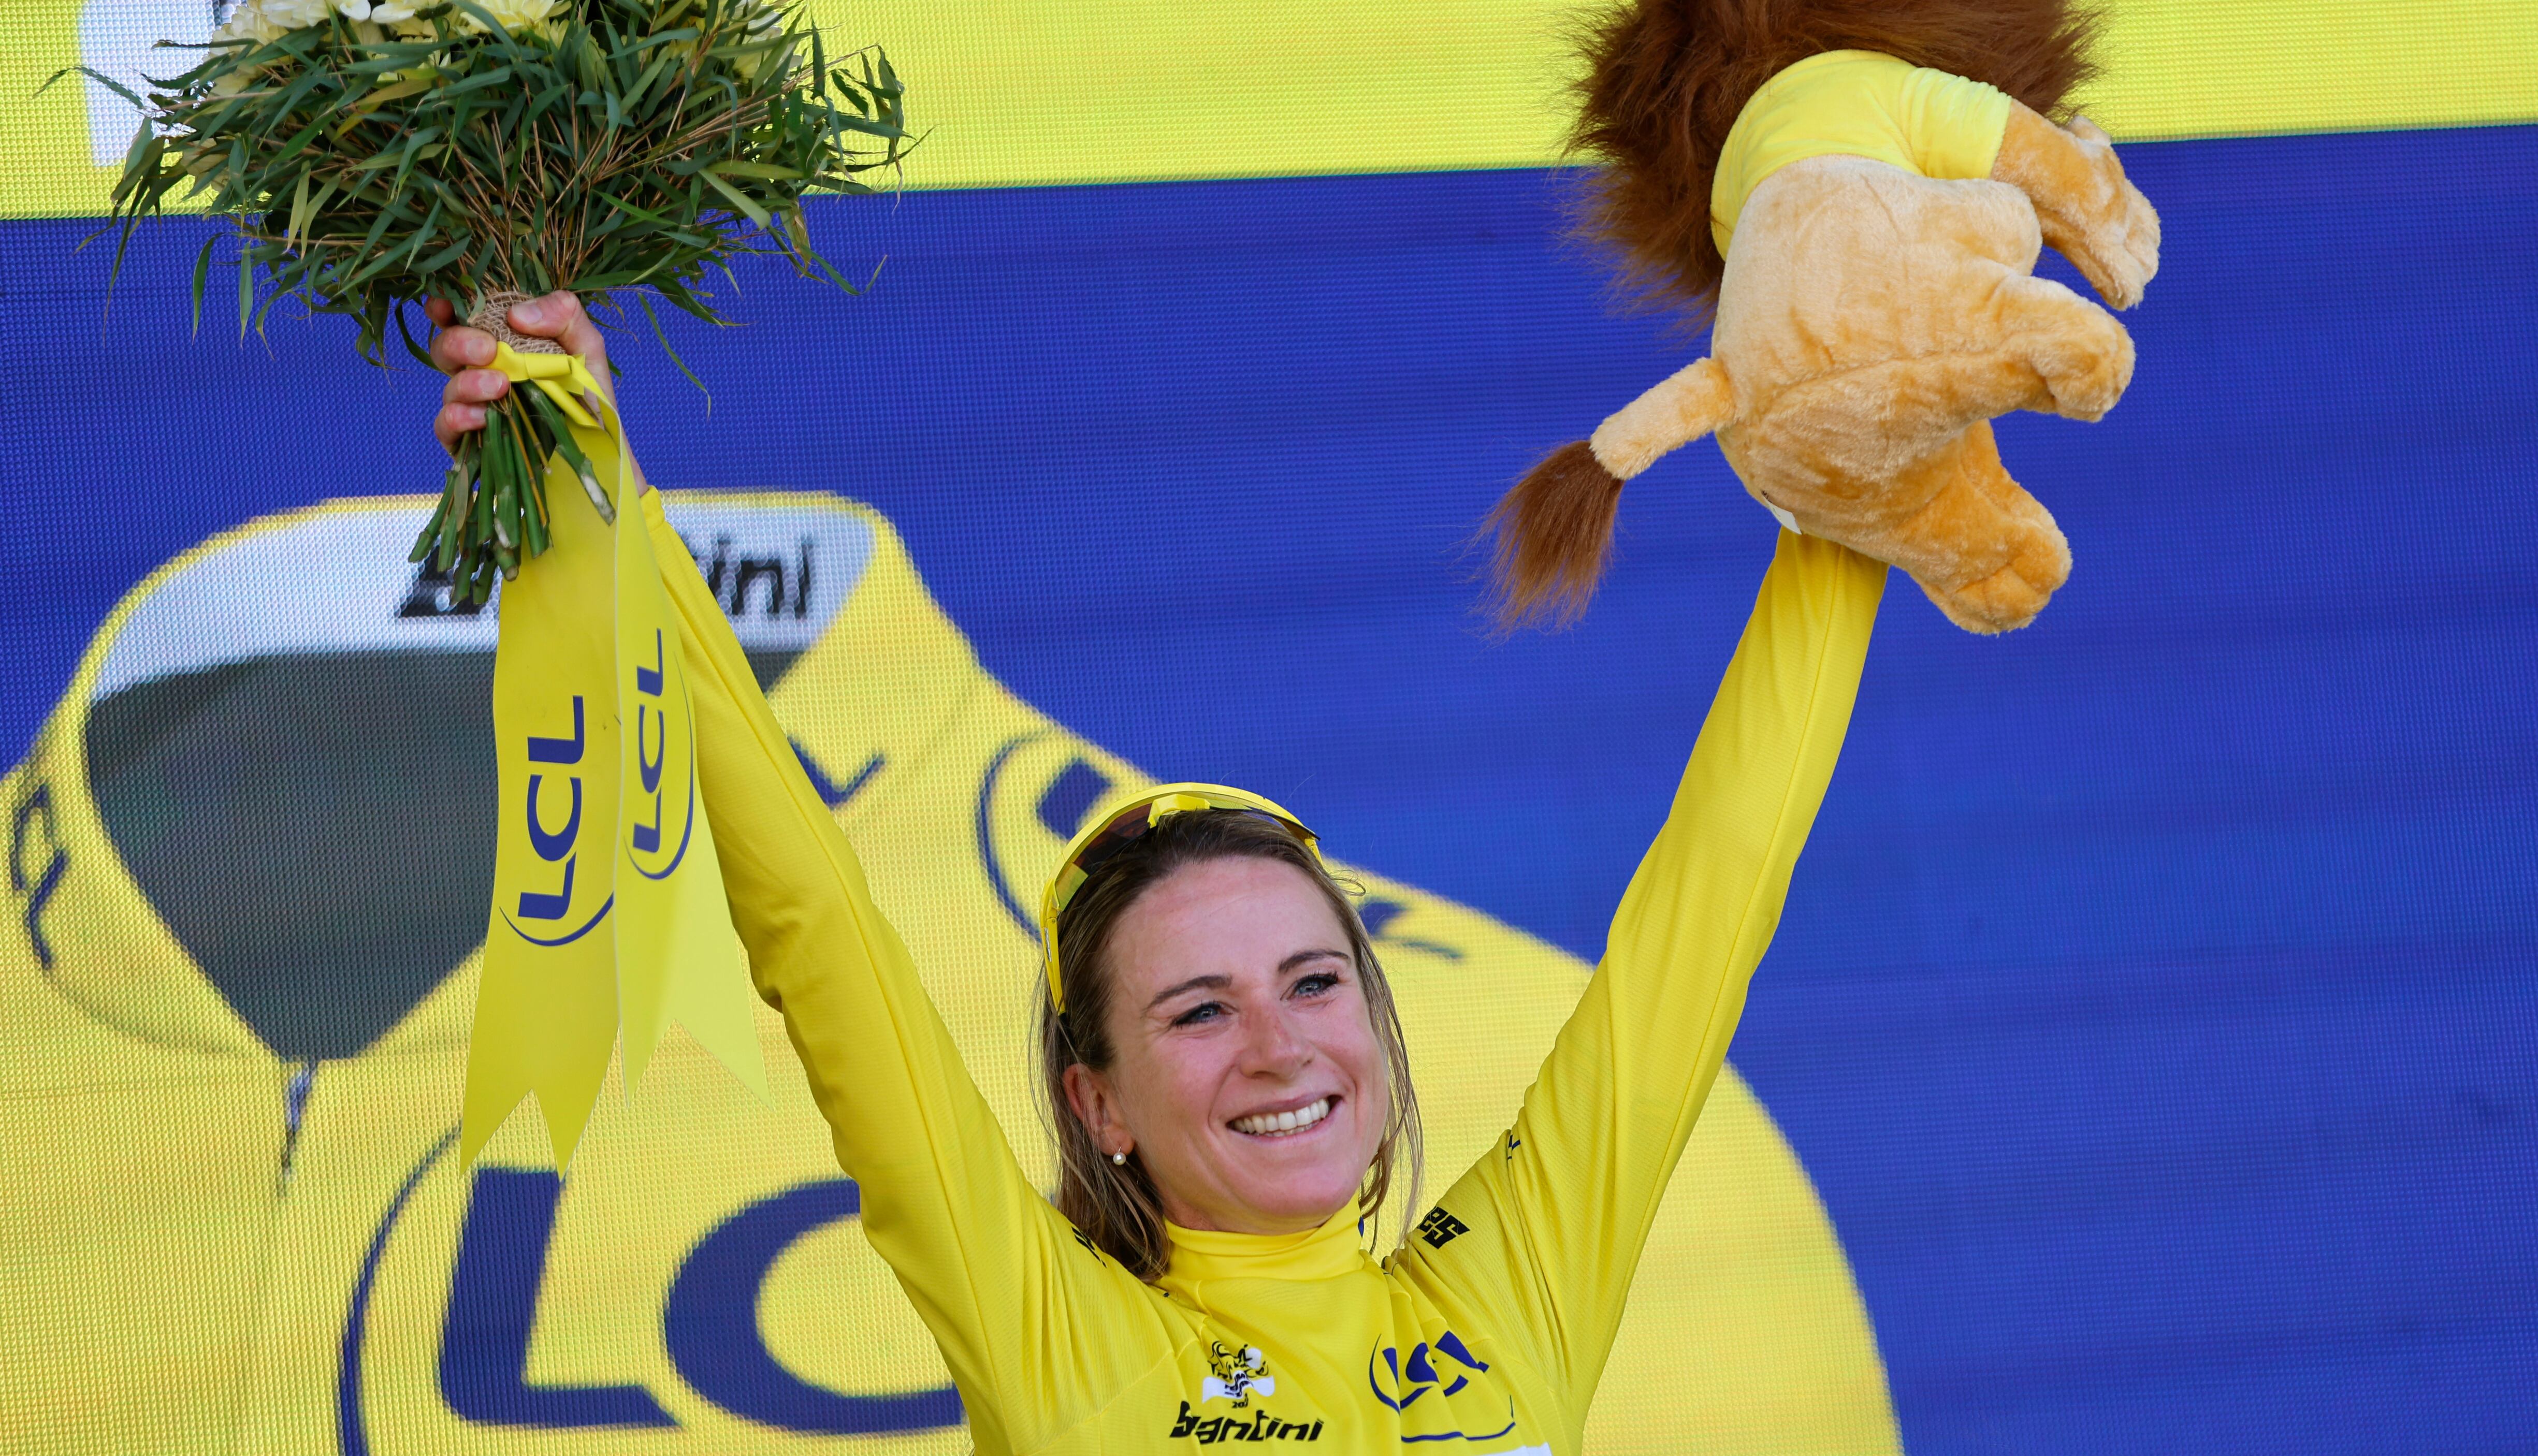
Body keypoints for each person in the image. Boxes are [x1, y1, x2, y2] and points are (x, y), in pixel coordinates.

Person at [430, 294, 1888, 1454]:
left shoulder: (1507, 1294)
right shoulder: (1062, 1346)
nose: (1280, 1043)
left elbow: (1714, 897)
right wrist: (591, 478)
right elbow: (820, 929)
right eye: (1196, 1010)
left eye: (1314, 979)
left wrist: (1867, 468)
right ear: (1097, 1100)